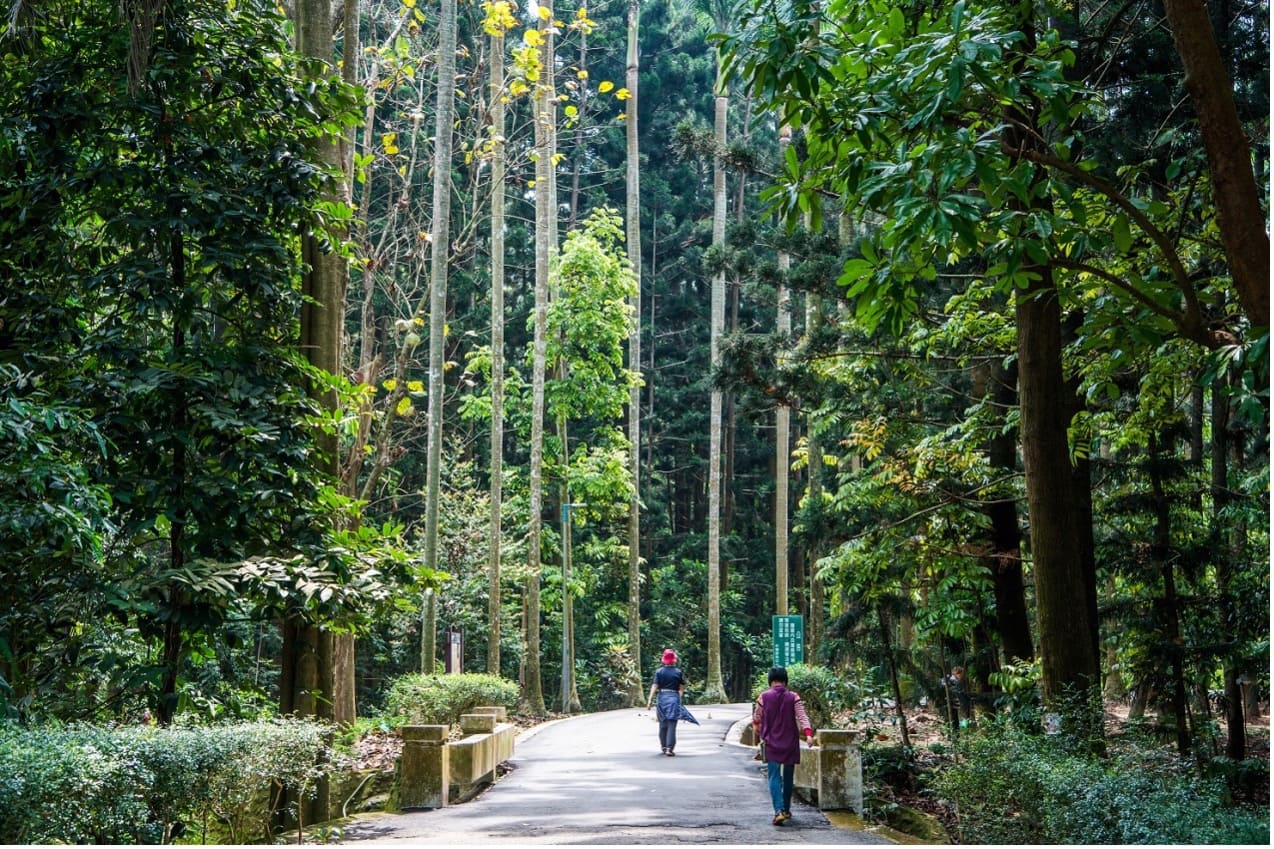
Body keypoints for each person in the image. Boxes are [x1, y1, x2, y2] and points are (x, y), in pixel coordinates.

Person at [752, 666, 814, 825]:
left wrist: (759, 733)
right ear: (785, 681)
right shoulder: (793, 697)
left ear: (770, 680)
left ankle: (778, 811)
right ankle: (786, 810)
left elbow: (757, 719)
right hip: (790, 742)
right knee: (788, 777)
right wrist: (808, 734)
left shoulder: (763, 697)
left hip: (771, 742)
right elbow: (802, 716)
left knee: (773, 776)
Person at [646, 648, 697, 755]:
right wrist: (678, 697)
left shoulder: (659, 672)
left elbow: (655, 685)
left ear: (663, 660)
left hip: (662, 698)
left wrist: (650, 699)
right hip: (673, 697)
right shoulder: (678, 672)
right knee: (672, 724)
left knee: (663, 724)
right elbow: (681, 687)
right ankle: (670, 749)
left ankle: (664, 747)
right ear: (674, 660)